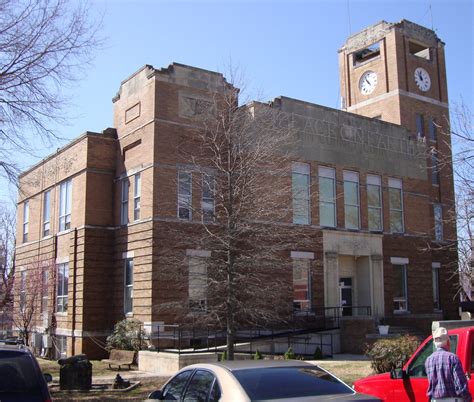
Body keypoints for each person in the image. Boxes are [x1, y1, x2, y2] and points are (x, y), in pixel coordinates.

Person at [425, 327, 472, 402]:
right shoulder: (452, 358)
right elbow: (460, 384)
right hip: (453, 399)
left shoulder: (428, 360)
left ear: (435, 344)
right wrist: (468, 398)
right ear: (448, 342)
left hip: (435, 399)